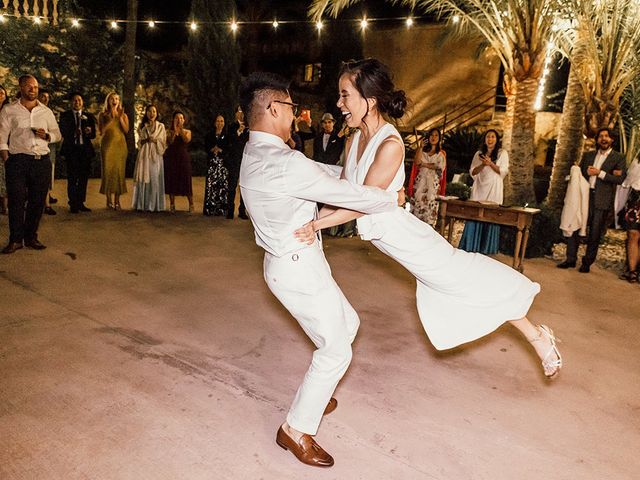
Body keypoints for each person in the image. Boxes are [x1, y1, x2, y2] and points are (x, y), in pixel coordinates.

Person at [295, 58, 562, 382]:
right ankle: (534, 333)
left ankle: (538, 337)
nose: (339, 104)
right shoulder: (353, 141)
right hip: (391, 240)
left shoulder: (390, 144)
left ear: (370, 99)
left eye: (345, 95)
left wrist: (316, 224)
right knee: (458, 284)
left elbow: (362, 202)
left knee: (463, 277)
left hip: (407, 237)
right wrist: (312, 218)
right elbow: (346, 193)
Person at [238, 72, 402, 468]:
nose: (297, 115)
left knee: (348, 324)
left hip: (289, 264)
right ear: (274, 109)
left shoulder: (257, 153)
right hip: (297, 268)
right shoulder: (282, 162)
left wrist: (351, 167)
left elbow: (317, 172)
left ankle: (318, 388)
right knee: (336, 350)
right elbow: (345, 194)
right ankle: (295, 429)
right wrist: (388, 197)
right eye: (292, 108)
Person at [0, 74, 61, 254]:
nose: (33, 89)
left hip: (41, 161)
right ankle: (16, 240)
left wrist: (48, 136)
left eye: (35, 86)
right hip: (18, 161)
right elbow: (2, 138)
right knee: (17, 201)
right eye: (29, 86)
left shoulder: (46, 112)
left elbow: (57, 134)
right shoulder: (9, 110)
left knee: (36, 202)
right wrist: (7, 160)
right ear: (21, 88)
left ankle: (31, 237)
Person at [557, 127, 627, 272]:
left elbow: (619, 179)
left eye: (607, 136)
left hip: (602, 199)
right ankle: (570, 259)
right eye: (601, 136)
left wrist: (599, 173)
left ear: (612, 139)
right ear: (597, 140)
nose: (603, 139)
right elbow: (580, 175)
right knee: (575, 224)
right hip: (584, 196)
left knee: (595, 232)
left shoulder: (618, 158)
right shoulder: (588, 155)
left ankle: (586, 263)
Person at [458, 129, 508, 254]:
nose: (490, 139)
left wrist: (490, 163)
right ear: (485, 140)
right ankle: (470, 245)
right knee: (475, 213)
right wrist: (483, 165)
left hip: (494, 187)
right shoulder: (478, 154)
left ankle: (487, 248)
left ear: (496, 140)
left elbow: (503, 171)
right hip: (480, 187)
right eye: (487, 137)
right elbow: (473, 171)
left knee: (490, 215)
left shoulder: (502, 153)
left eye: (492, 137)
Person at [59, 93, 97, 213]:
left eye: (79, 100)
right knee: (72, 177)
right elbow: (63, 132)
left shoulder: (88, 116)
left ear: (82, 102)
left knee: (83, 178)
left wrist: (88, 132)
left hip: (84, 150)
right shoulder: (65, 116)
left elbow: (93, 134)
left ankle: (81, 202)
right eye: (75, 100)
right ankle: (73, 203)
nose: (77, 102)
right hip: (72, 150)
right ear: (71, 102)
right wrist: (74, 132)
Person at [131, 104, 166, 212]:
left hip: (155, 155)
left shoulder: (161, 126)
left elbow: (163, 142)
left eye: (154, 111)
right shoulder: (143, 126)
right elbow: (139, 142)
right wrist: (146, 140)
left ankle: (154, 205)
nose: (152, 114)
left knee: (154, 178)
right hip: (144, 155)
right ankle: (142, 204)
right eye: (150, 111)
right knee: (144, 179)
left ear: (157, 113)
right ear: (146, 113)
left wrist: (155, 140)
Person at [98, 92, 129, 210]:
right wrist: (112, 118)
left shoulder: (123, 115)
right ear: (108, 101)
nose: (114, 101)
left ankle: (117, 201)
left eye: (116, 99)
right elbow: (102, 131)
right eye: (112, 99)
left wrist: (120, 117)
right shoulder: (103, 115)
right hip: (107, 146)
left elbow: (126, 130)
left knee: (119, 173)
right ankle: (108, 200)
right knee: (108, 172)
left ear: (119, 101)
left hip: (120, 146)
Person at [410, 128, 446, 226]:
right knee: (417, 208)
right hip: (420, 184)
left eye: (436, 135)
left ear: (439, 138)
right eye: (431, 135)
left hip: (432, 186)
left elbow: (439, 167)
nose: (433, 137)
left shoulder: (441, 154)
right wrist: (420, 147)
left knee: (430, 210)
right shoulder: (422, 152)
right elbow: (417, 162)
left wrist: (424, 164)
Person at [164, 111, 193, 212]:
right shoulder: (169, 131)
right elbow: (169, 142)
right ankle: (172, 204)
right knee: (172, 179)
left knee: (186, 179)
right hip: (171, 157)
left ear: (184, 120)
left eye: (181, 118)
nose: (179, 120)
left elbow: (186, 140)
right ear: (173, 120)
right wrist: (175, 132)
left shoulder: (187, 131)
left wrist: (180, 131)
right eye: (177, 118)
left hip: (183, 157)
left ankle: (191, 204)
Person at [618, 156, 640, 282]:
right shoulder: (637, 160)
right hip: (636, 200)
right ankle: (632, 271)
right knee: (633, 234)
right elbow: (628, 180)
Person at [38, 90, 59, 215]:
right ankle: (46, 203)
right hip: (38, 149)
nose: (45, 99)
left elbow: (56, 132)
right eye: (43, 97)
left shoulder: (49, 112)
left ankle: (47, 196)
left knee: (49, 173)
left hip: (50, 147)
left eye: (47, 97)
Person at [203, 114, 229, 216]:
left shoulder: (227, 135)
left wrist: (221, 150)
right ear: (214, 123)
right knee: (211, 186)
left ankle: (221, 209)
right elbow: (206, 146)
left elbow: (229, 148)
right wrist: (212, 149)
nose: (220, 123)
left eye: (222, 121)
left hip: (223, 164)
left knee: (222, 185)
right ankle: (210, 209)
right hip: (212, 164)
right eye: (218, 121)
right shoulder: (209, 135)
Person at [225, 105, 248, 219]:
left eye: (242, 110)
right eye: (239, 110)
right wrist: (239, 132)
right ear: (235, 113)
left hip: (245, 161)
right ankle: (229, 210)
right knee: (232, 186)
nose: (241, 113)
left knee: (243, 187)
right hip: (234, 160)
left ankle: (242, 210)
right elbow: (229, 141)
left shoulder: (249, 127)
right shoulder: (231, 126)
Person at [0, 85, 9, 215]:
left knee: (4, 177)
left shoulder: (8, 110)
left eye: (2, 93)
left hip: (6, 147)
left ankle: (5, 206)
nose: (0, 95)